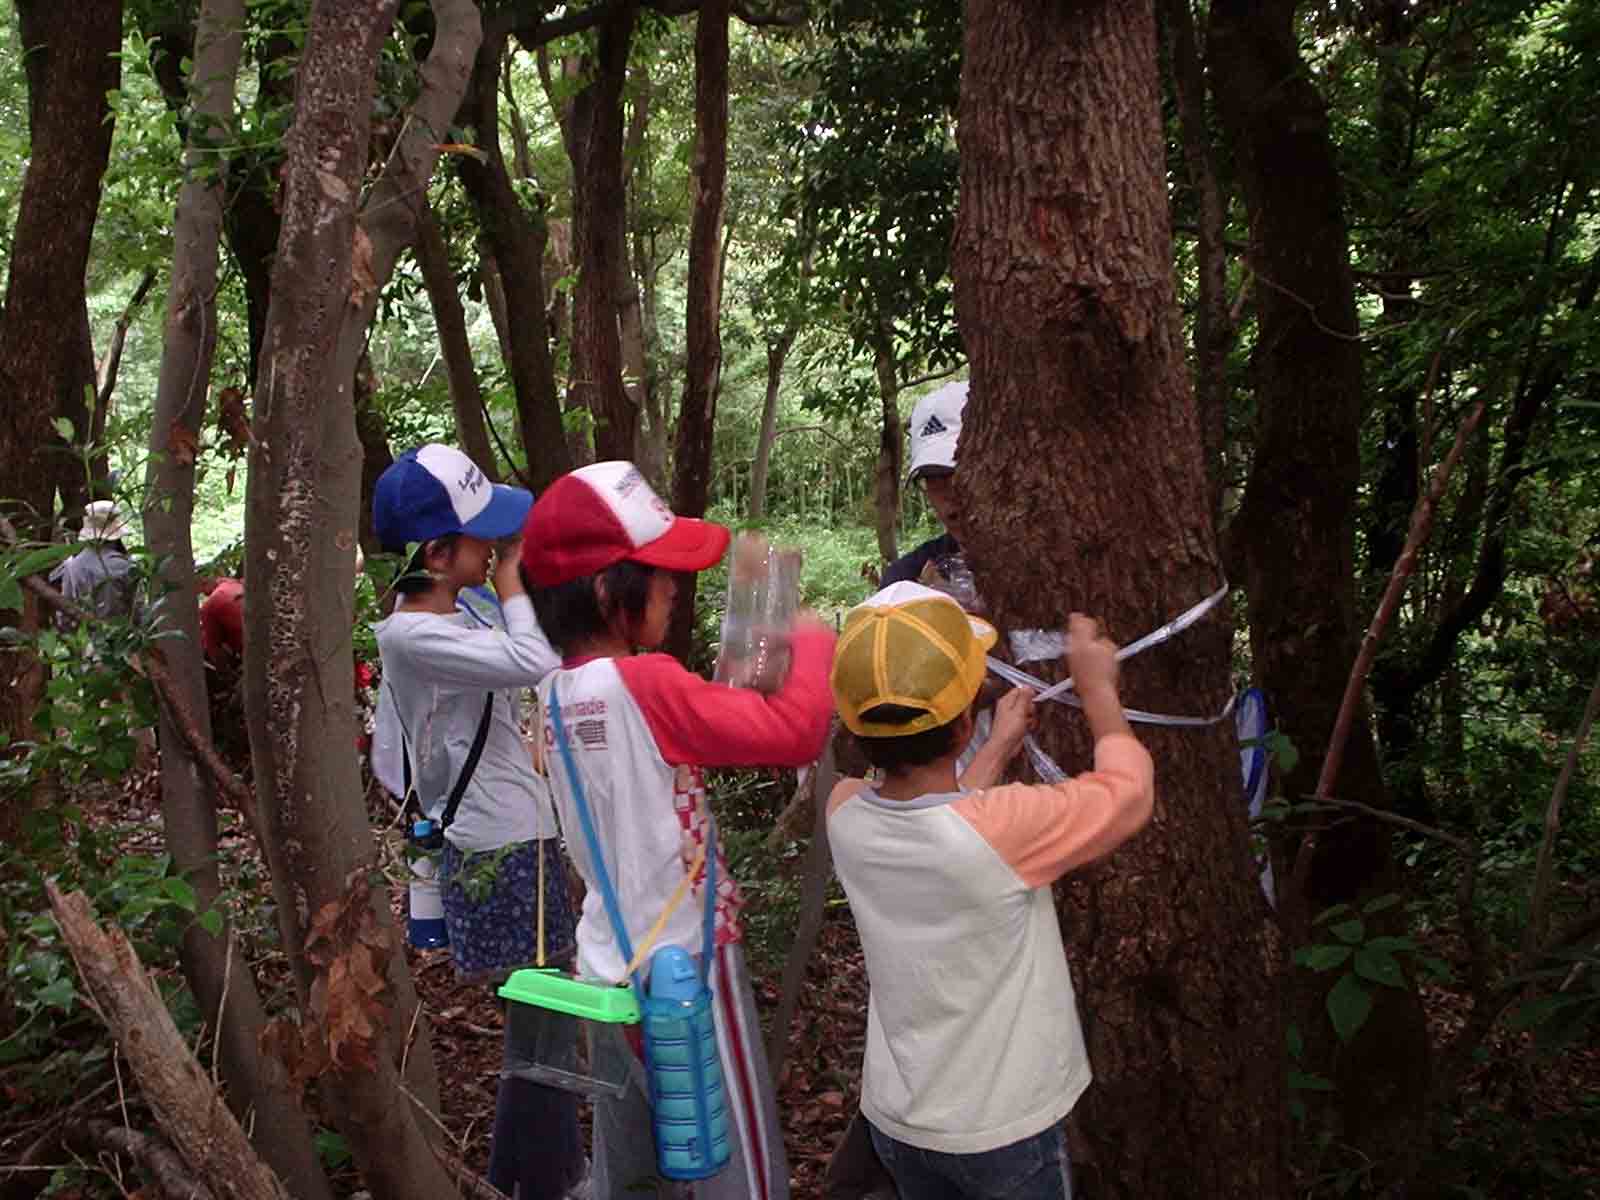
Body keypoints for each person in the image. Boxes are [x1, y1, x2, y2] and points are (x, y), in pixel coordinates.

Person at [520, 460, 836, 1200]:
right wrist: (812, 640)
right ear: (608, 591)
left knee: (633, 1174)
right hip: (685, 969)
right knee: (737, 1168)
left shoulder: (555, 692)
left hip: (607, 964)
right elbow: (793, 731)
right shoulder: (645, 683)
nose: (671, 587)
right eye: (657, 573)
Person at [826, 583, 1155, 1200]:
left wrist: (1000, 745)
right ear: (960, 729)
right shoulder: (1005, 830)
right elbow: (1129, 792)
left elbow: (946, 823)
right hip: (1004, 1133)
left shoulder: (844, 813)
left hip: (900, 1121)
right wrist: (1099, 692)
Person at [370, 443, 583, 1200]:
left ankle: (521, 1179)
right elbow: (531, 659)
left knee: (540, 1024)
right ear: (438, 552)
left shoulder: (446, 617)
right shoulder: (414, 635)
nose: (494, 545)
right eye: (479, 535)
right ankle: (552, 1182)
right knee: (546, 1027)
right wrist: (514, 583)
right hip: (504, 842)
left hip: (508, 834)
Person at [881, 381, 967, 587]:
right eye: (931, 479)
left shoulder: (1049, 565)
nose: (947, 496)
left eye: (954, 473)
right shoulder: (905, 580)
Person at [49, 499, 137, 627]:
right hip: (122, 640)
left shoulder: (71, 566)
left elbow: (64, 615)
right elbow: (138, 611)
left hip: (85, 639)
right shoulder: (126, 565)